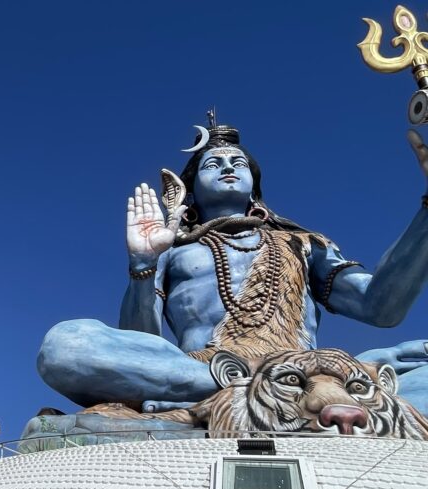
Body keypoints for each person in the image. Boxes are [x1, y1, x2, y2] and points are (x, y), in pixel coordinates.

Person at [37, 122, 428, 413]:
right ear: (190, 188)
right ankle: (303, 388)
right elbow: (141, 344)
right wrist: (143, 263)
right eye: (213, 164)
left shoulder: (303, 243)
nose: (228, 167)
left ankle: (292, 386)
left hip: (308, 368)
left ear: (254, 186)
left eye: (238, 162)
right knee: (66, 345)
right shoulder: (175, 251)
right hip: (206, 369)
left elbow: (381, 307)